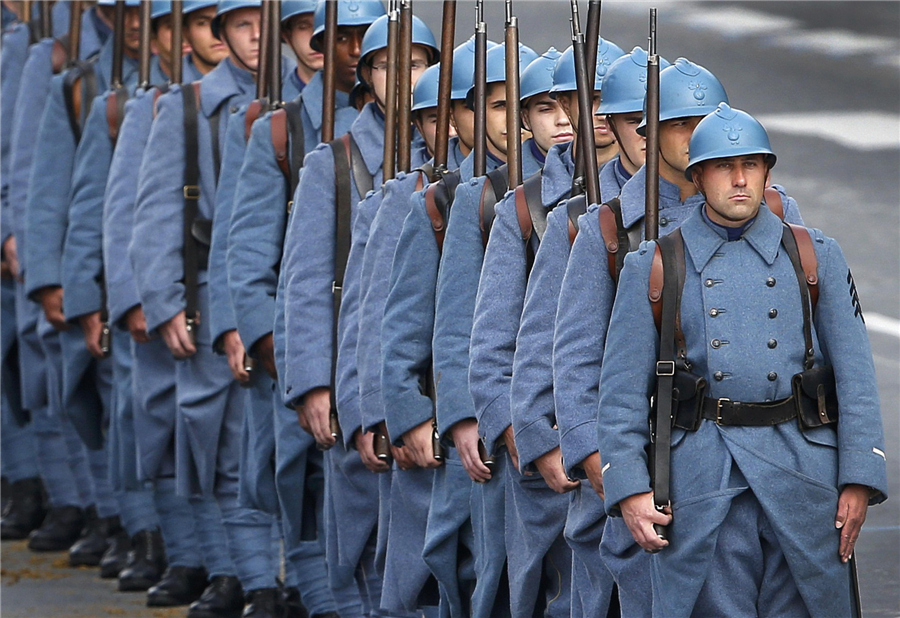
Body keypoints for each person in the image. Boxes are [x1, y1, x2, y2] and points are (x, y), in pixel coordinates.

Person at [598, 102, 887, 617]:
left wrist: (859, 477)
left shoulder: (815, 254)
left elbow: (856, 377)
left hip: (804, 474)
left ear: (766, 172)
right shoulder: (657, 263)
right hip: (704, 479)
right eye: (723, 167)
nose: (738, 180)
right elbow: (621, 391)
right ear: (698, 176)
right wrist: (630, 489)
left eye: (750, 165)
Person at [280, 10, 437, 613]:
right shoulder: (334, 161)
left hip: (418, 366)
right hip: (352, 363)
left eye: (418, 64)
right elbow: (308, 282)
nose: (402, 76)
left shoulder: (454, 162)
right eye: (385, 64)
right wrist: (314, 384)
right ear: (365, 74)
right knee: (360, 533)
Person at [130, 1, 274, 615]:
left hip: (283, 297)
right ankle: (237, 576)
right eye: (241, 24)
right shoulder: (186, 108)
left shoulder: (310, 107)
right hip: (206, 298)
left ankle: (286, 582)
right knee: (214, 445)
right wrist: (161, 300)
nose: (255, 37)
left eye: (266, 24)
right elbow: (155, 209)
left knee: (285, 455)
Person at [103, 1, 228, 607]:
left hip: (245, 294)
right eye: (206, 26)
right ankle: (189, 556)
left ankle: (247, 570)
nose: (227, 39)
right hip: (181, 290)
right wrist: (139, 297)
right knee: (171, 428)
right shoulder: (166, 107)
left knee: (247, 450)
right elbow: (130, 206)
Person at [379, 36, 492, 618]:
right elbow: (402, 321)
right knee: (440, 569)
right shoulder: (436, 200)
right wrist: (409, 411)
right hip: (446, 414)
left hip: (510, 413)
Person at [431, 40, 538, 618]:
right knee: (482, 569)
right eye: (497, 106)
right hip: (497, 409)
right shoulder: (482, 198)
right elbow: (454, 323)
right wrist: (466, 413)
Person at [3, 0, 111, 553]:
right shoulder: (49, 48)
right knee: (51, 376)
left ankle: (115, 517)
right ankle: (70, 499)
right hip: (66, 242)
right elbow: (26, 165)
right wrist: (16, 238)